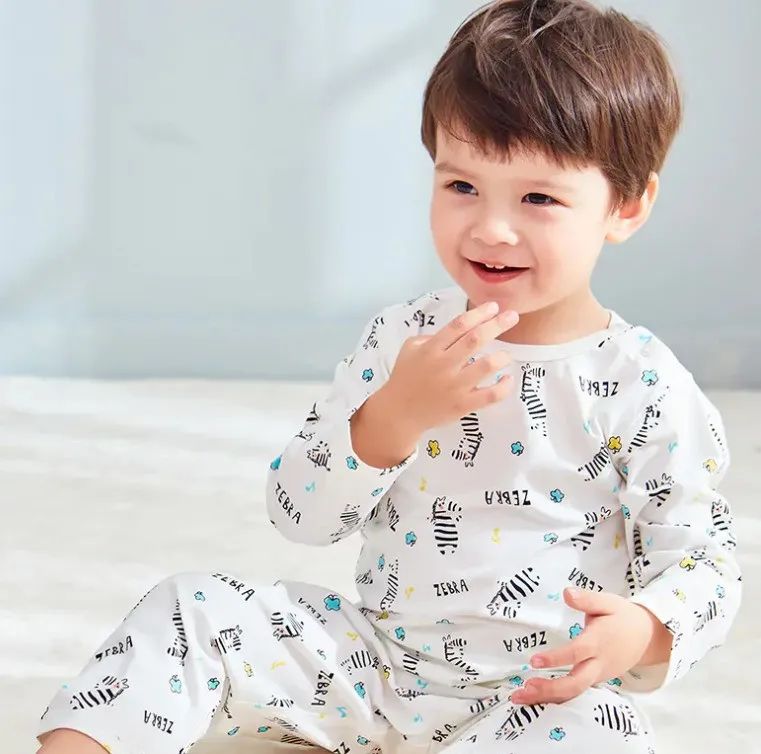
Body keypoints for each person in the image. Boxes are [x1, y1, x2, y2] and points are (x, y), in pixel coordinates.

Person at [36, 1, 741, 752]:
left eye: (538, 198)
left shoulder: (645, 386)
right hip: (371, 669)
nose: (490, 228)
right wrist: (390, 419)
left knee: (607, 732)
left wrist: (645, 627)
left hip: (539, 698)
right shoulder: (404, 339)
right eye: (461, 186)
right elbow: (298, 515)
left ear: (625, 206)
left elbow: (704, 558)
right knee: (192, 609)